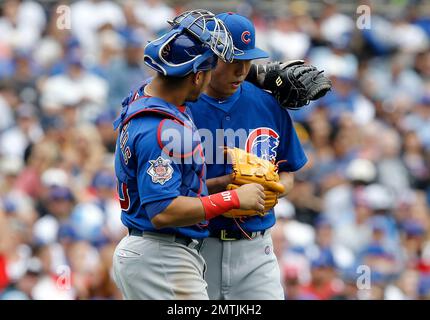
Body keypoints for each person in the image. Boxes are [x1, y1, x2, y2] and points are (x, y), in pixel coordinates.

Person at [111, 10, 266, 300]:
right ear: (196, 77)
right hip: (162, 255)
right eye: (208, 72)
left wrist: (222, 183)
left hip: (154, 253)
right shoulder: (164, 130)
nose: (209, 82)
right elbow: (163, 211)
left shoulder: (144, 98)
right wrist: (231, 199)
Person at [187, 12, 309, 300]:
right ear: (209, 56)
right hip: (196, 245)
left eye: (248, 61)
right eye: (233, 61)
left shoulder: (268, 104)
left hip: (256, 250)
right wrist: (226, 186)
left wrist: (276, 191)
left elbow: (288, 169)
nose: (242, 71)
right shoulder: (182, 107)